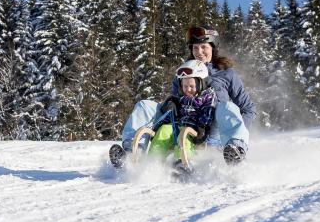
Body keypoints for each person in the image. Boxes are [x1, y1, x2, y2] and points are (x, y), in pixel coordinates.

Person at [110, 25, 257, 167]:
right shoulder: (184, 72)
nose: (199, 52)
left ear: (213, 47)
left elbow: (248, 108)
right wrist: (172, 102)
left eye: (204, 47)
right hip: (185, 125)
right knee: (144, 106)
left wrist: (233, 132)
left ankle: (235, 151)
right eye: (195, 47)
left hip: (212, 131)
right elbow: (177, 98)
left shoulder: (226, 74)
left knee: (227, 107)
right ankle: (131, 154)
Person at [148, 60, 215, 163]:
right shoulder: (180, 98)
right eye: (185, 86)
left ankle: (182, 162)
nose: (188, 89)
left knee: (184, 137)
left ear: (201, 84)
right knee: (163, 130)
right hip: (178, 126)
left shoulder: (207, 97)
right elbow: (170, 115)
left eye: (191, 86)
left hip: (193, 131)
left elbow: (207, 112)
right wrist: (158, 126)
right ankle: (153, 160)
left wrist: (202, 128)